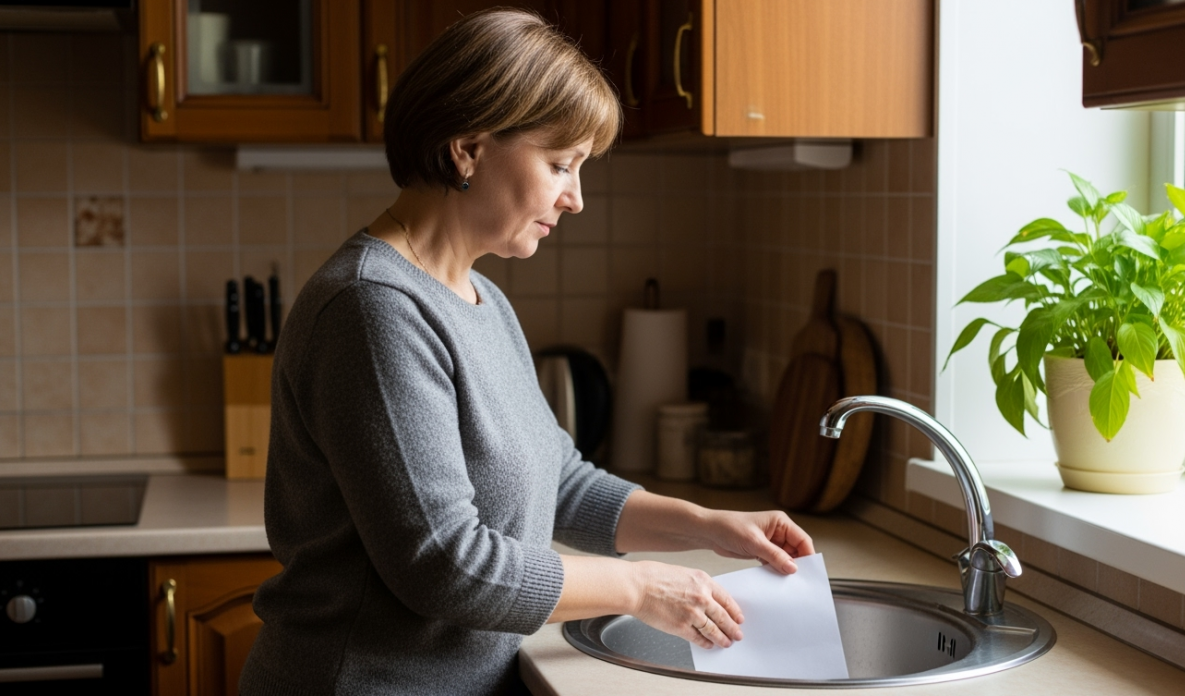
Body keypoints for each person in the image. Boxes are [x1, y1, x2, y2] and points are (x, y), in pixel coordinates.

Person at [238, 8, 815, 696]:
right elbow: (446, 566)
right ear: (468, 149)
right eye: (560, 164)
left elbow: (558, 482)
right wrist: (639, 587)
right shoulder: (373, 310)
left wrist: (708, 528)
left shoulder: (479, 297)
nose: (575, 198)